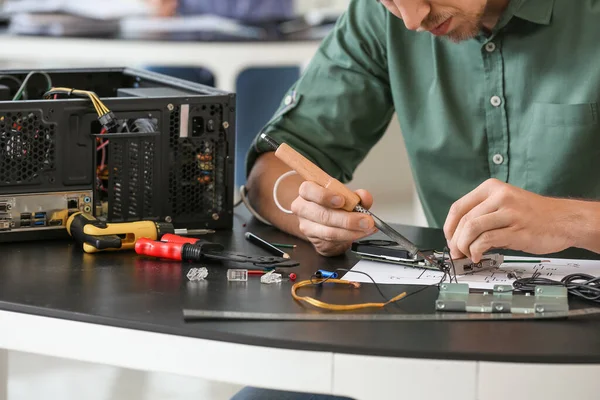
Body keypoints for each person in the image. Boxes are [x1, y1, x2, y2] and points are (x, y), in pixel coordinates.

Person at [237, 0, 599, 398]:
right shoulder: (381, 19)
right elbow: (274, 167)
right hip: (447, 336)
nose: (411, 21)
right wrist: (307, 213)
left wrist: (573, 220)